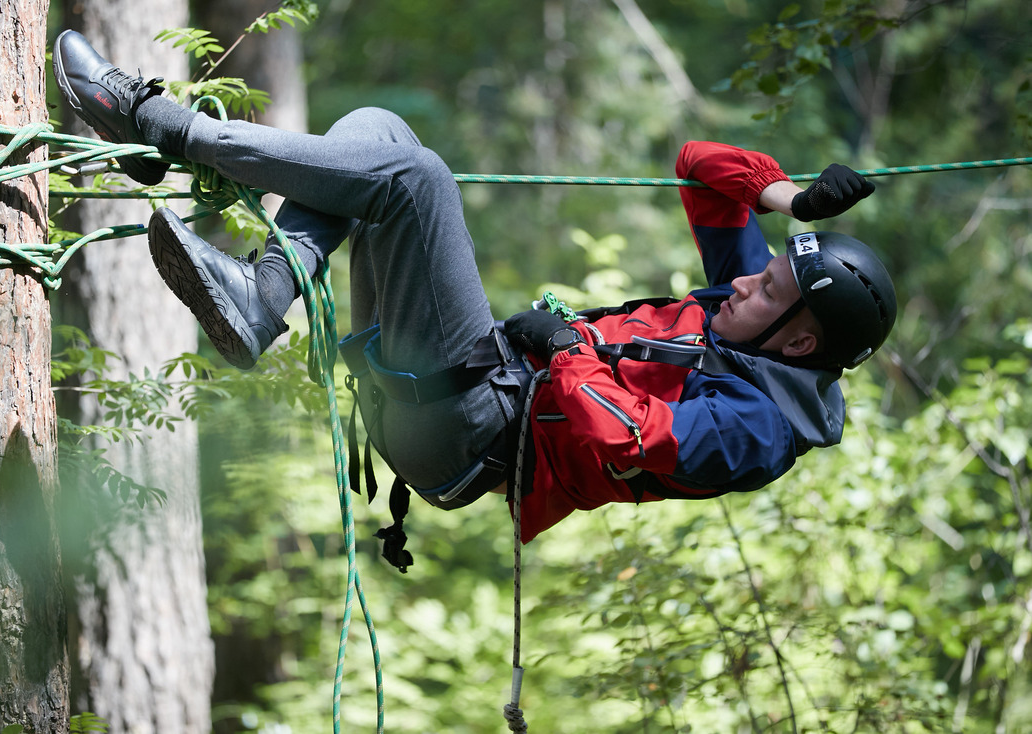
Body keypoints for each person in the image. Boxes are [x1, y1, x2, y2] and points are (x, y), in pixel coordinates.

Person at [52, 31, 897, 556]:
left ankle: (156, 124)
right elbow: (700, 166)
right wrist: (788, 201)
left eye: (769, 284)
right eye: (763, 266)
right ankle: (263, 295)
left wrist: (568, 353)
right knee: (380, 131)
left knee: (415, 180)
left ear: (798, 341)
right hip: (472, 391)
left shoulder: (760, 428)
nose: (745, 278)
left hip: (474, 436)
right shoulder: (749, 316)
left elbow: (635, 437)